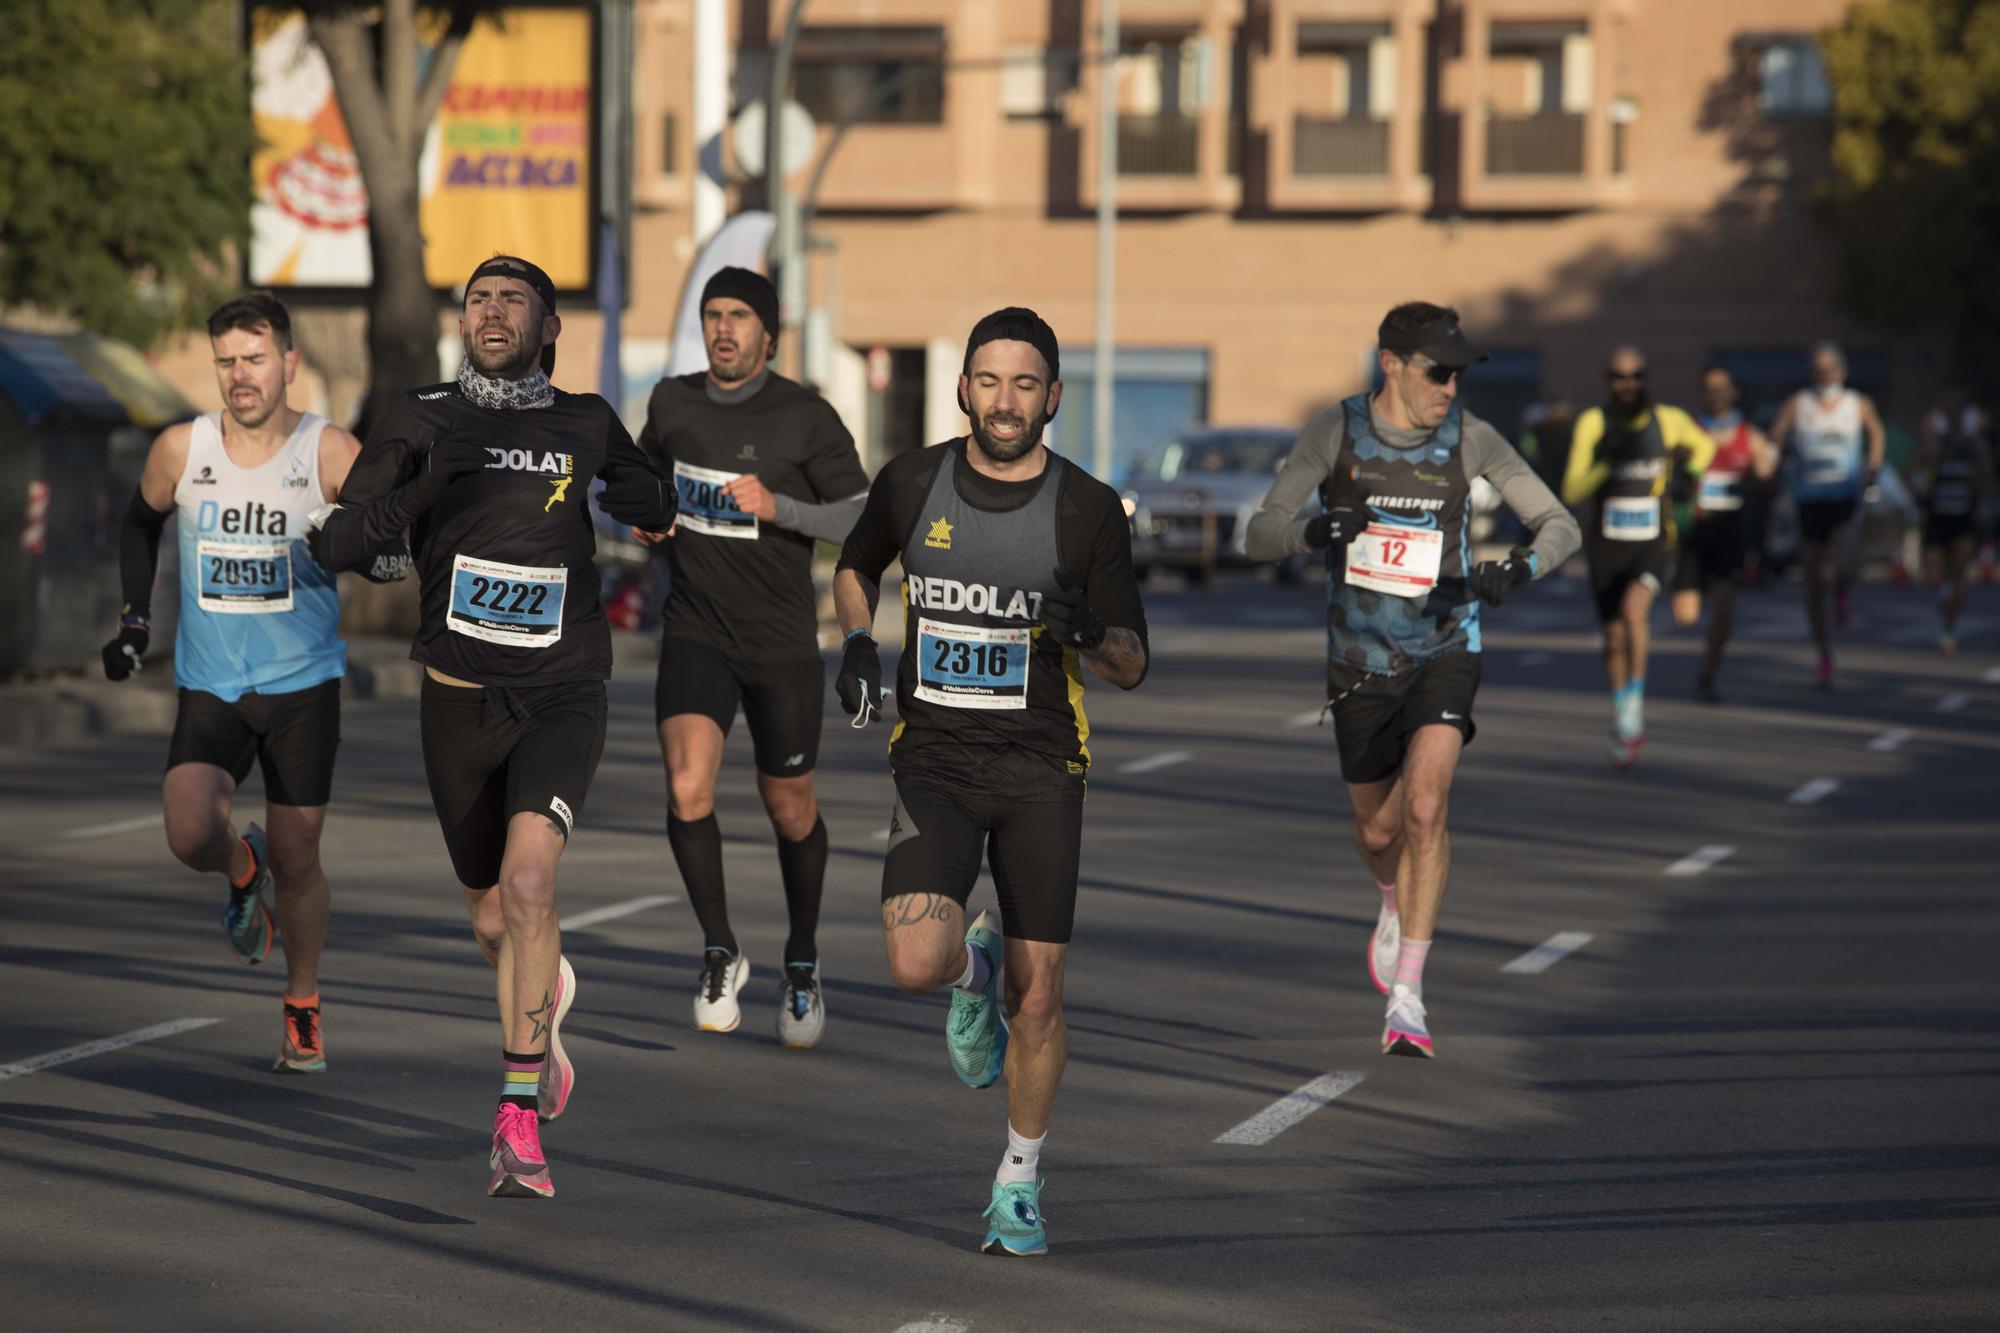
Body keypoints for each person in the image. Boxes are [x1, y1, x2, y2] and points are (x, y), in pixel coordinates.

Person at [307, 255, 677, 1198]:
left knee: (526, 882)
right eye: (478, 299)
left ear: (549, 326)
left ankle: (517, 1117)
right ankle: (542, 995)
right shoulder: (424, 414)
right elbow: (343, 544)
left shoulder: (585, 419)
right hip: (456, 695)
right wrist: (426, 490)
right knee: (490, 917)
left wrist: (651, 501)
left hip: (562, 688)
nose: (492, 311)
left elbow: (654, 505)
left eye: (514, 299)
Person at [831, 308, 1148, 1257]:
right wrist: (855, 639)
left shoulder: (1088, 508)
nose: (1004, 402)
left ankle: (1019, 1178)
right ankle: (968, 972)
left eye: (1025, 384)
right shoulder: (913, 481)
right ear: (963, 387)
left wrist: (1087, 627)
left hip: (1043, 767)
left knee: (1039, 998)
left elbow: (1133, 663)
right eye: (988, 381)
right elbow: (855, 566)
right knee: (912, 963)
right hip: (932, 758)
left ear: (1052, 396)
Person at [1246, 302, 1580, 1060]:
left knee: (1427, 806)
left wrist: (1518, 567)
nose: (1450, 387)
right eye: (1438, 371)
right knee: (1377, 831)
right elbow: (1258, 531)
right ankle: (1391, 898)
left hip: (1446, 645)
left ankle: (1409, 996)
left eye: (1459, 373)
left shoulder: (1474, 440)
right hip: (1359, 662)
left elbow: (1560, 523)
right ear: (1390, 362)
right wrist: (1310, 531)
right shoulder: (1334, 432)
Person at [101, 292, 381, 1075]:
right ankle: (238, 869)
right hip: (213, 683)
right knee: (189, 829)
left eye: (254, 359)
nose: (239, 376)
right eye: (225, 361)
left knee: (300, 853)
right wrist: (134, 624)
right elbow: (138, 523)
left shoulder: (329, 452)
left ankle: (302, 1003)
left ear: (288, 363)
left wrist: (373, 554)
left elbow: (387, 528)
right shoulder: (182, 451)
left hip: (303, 685)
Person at [635, 268, 869, 1044]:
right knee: (685, 785)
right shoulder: (673, 402)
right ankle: (720, 947)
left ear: (770, 333)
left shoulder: (804, 417)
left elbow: (865, 513)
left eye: (738, 316)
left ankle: (801, 960)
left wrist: (782, 508)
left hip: (780, 642)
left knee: (790, 806)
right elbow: (642, 481)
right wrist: (648, 516)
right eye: (712, 315)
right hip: (697, 627)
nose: (723, 329)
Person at [1561, 345, 1713, 767]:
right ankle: (1620, 707)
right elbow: (1572, 489)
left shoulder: (1668, 420)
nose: (1628, 385)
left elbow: (1705, 447)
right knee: (1612, 638)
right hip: (1606, 547)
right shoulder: (1594, 422)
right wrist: (1605, 464)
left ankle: (1635, 706)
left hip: (1653, 541)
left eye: (1636, 376)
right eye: (1619, 377)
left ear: (1647, 379)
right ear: (1607, 381)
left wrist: (1691, 474)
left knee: (1634, 612)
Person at [1767, 342, 1887, 688]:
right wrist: (1773, 454)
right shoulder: (1799, 404)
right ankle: (1824, 654)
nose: (1825, 375)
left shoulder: (1857, 403)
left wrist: (1874, 463)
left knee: (1845, 564)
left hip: (1843, 497)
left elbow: (1876, 431)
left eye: (1831, 369)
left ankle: (1843, 593)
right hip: (1809, 500)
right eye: (1818, 370)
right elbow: (1776, 434)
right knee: (1811, 586)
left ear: (1842, 372)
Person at [1673, 365, 1777, 702]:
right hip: (1693, 533)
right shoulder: (1689, 433)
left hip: (1729, 533)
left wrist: (1762, 474)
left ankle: (1708, 673)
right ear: (1702, 394)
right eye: (1709, 388)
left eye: (1722, 388)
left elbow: (1766, 479)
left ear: (1734, 393)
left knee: (1723, 610)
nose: (1716, 394)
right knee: (1686, 616)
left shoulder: (1752, 438)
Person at [1912, 386, 1993, 654]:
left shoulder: (1974, 446)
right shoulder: (1938, 442)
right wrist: (1928, 438)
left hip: (1964, 520)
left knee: (1959, 574)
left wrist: (1980, 445)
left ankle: (1948, 627)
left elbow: (1987, 481)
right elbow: (1916, 466)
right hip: (1937, 518)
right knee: (1933, 577)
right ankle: (1945, 597)